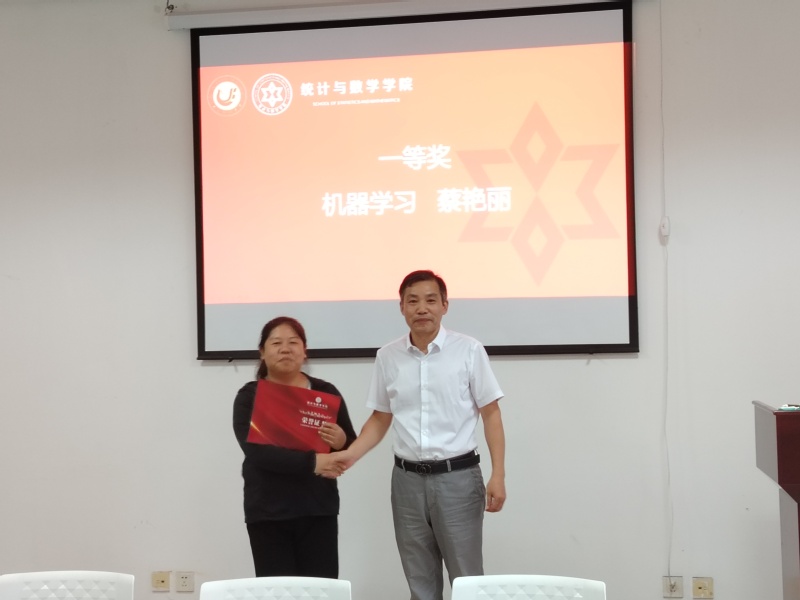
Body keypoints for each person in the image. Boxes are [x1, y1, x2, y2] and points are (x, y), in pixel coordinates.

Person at [332, 270, 506, 600]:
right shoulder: (388, 356)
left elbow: (491, 413)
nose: (421, 308)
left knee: (467, 580)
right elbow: (381, 417)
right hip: (407, 482)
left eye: (430, 300)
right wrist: (349, 455)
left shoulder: (469, 350)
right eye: (412, 301)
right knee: (420, 583)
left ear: (444, 305)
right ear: (402, 307)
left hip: (458, 478)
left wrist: (498, 474)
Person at [232, 316, 357, 578]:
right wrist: (314, 463)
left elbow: (349, 447)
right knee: (277, 592)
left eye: (293, 342)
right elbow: (256, 452)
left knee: (320, 591)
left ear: (304, 350)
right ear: (262, 352)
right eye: (276, 343)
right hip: (267, 512)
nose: (285, 349)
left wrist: (340, 441)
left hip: (318, 509)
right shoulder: (250, 396)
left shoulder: (325, 392)